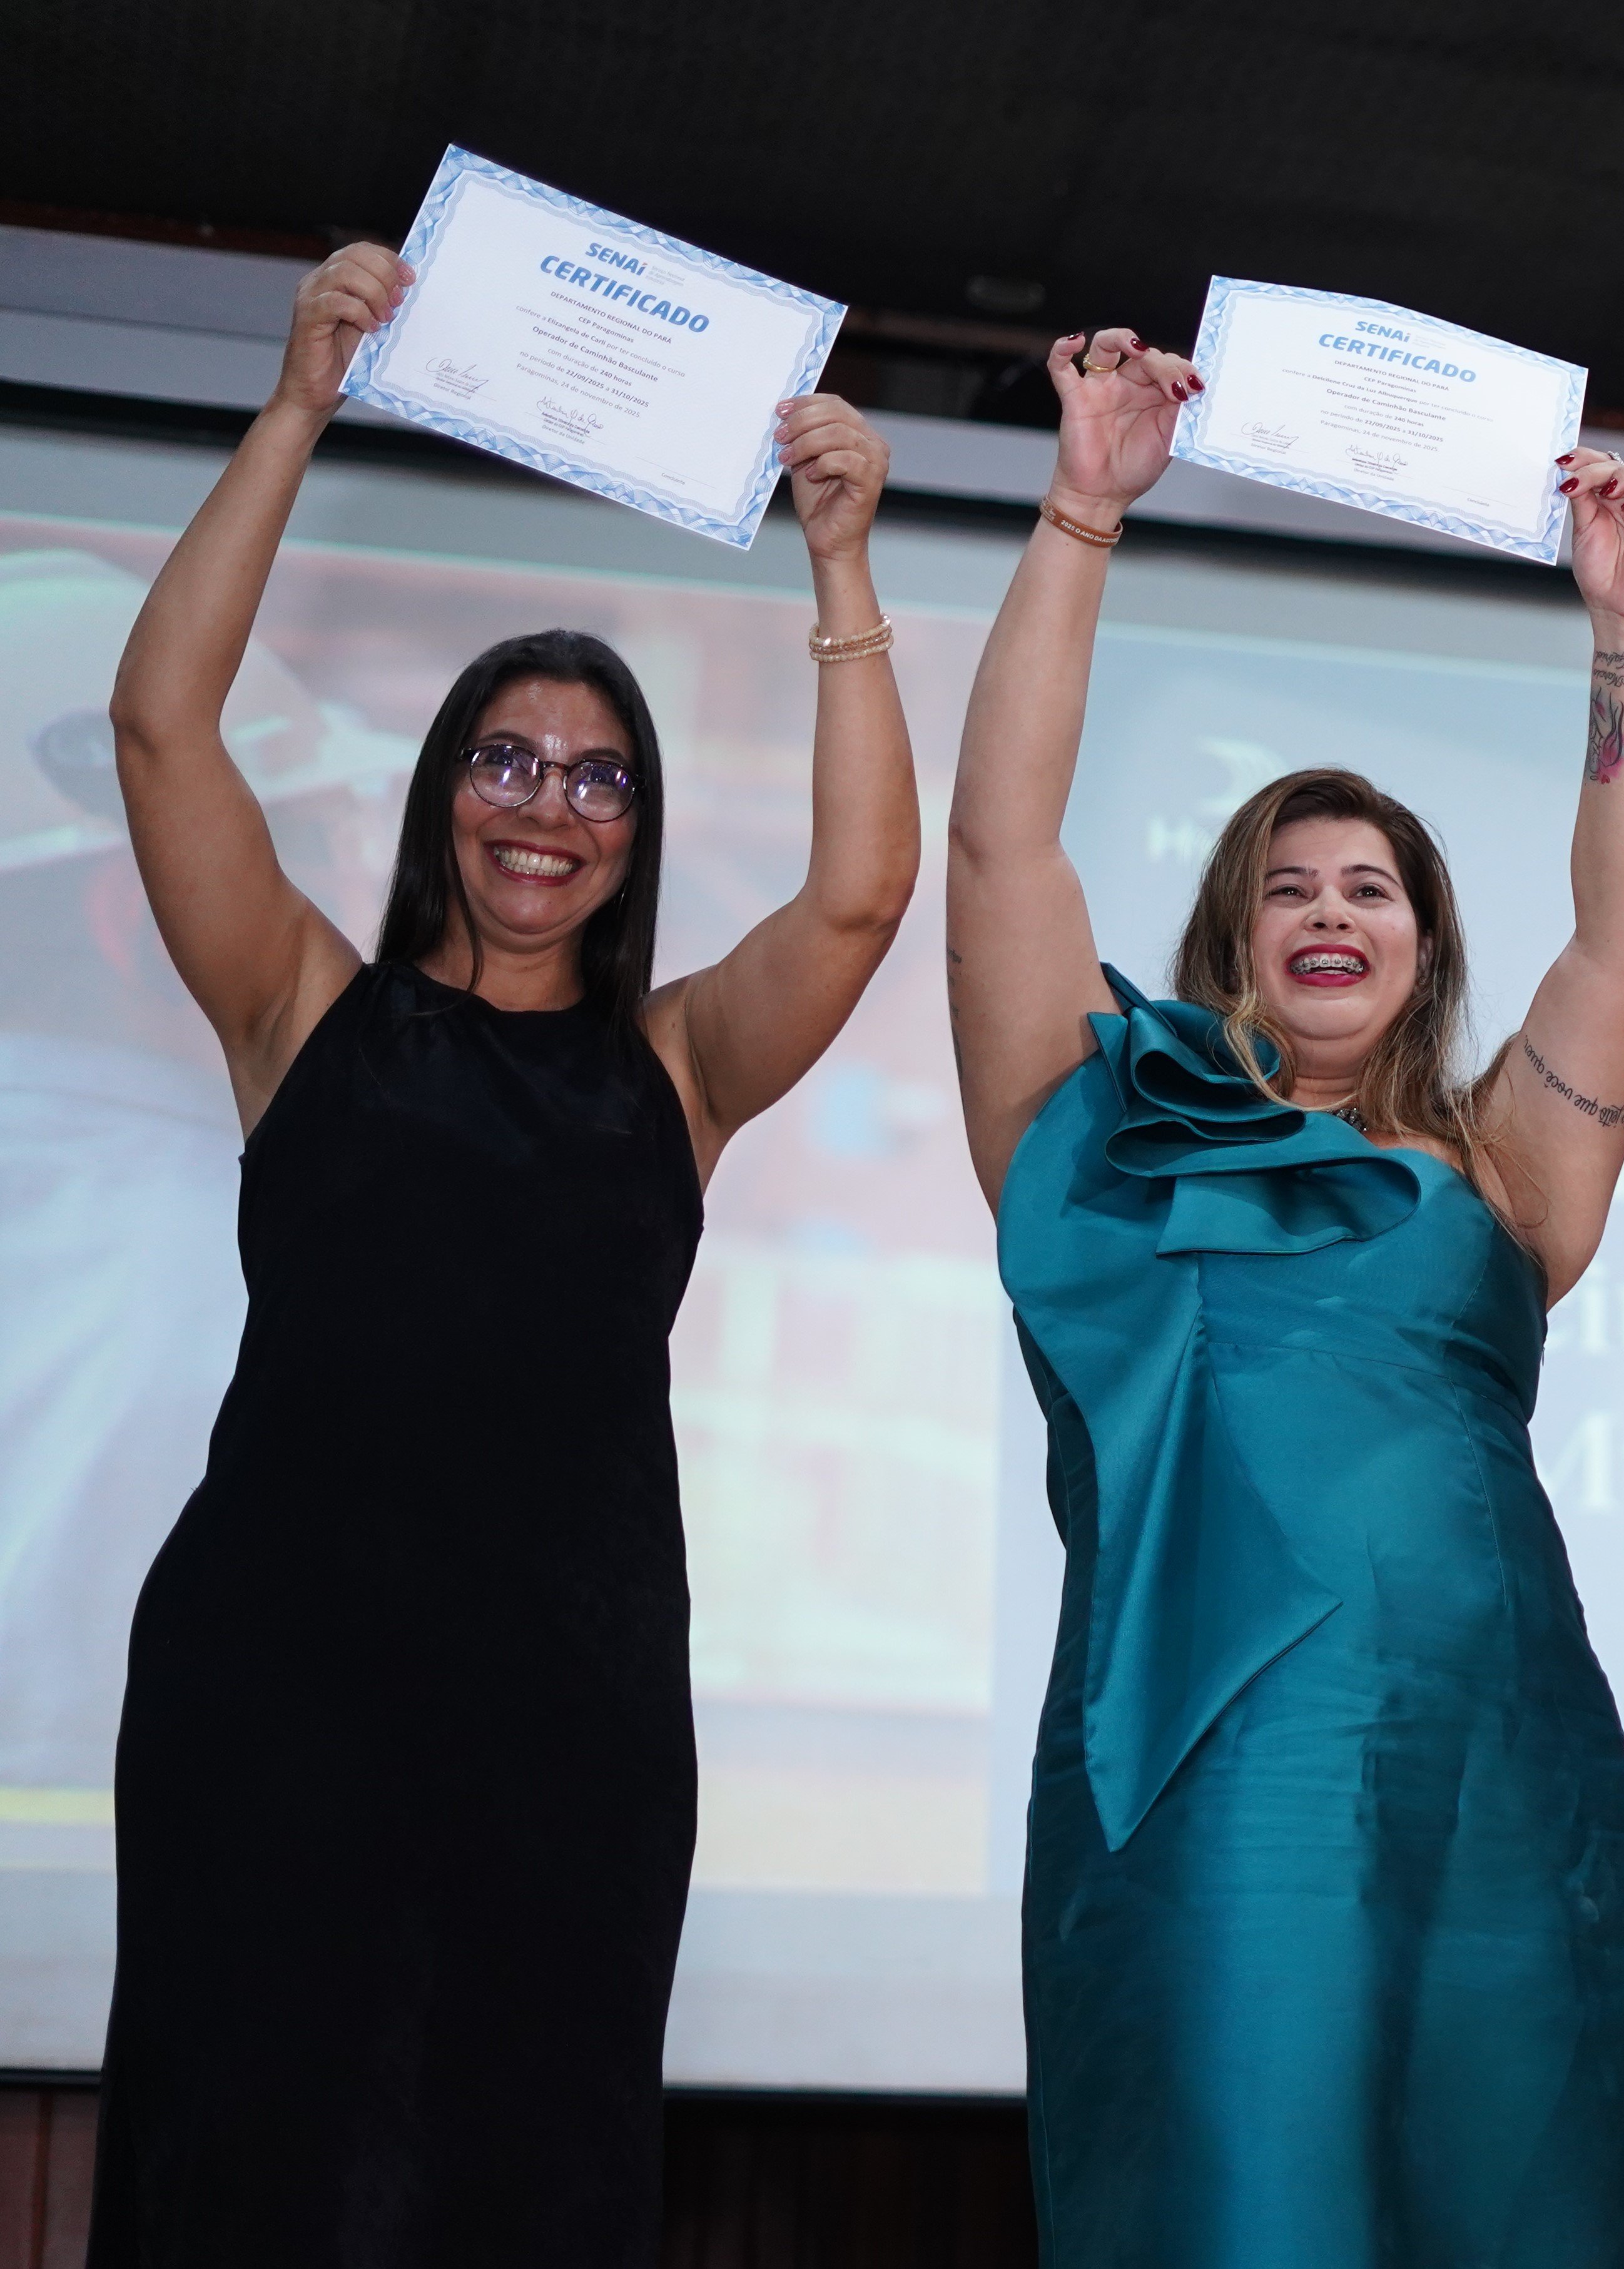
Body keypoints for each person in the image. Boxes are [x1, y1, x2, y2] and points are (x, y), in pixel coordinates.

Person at [89, 243, 920, 2265]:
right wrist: (299, 404)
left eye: (599, 774)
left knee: (523, 2183)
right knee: (244, 2173)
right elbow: (157, 725)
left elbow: (865, 890)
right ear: (441, 787)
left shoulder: (676, 1068)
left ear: (635, 829)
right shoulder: (303, 1005)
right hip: (272, 1693)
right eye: (507, 756)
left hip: (568, 1723)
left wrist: (840, 569)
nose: (548, 805)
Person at [948, 327, 1624, 2267]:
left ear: (1423, 944)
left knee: (1491, 2202)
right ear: (1240, 938)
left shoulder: (1507, 1167)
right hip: (1207, 1778)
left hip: (1493, 1769)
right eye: (1293, 886)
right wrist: (1081, 512)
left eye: (1372, 887)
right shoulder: (1103, 1134)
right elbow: (998, 844)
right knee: (1241, 2199)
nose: (1333, 911)